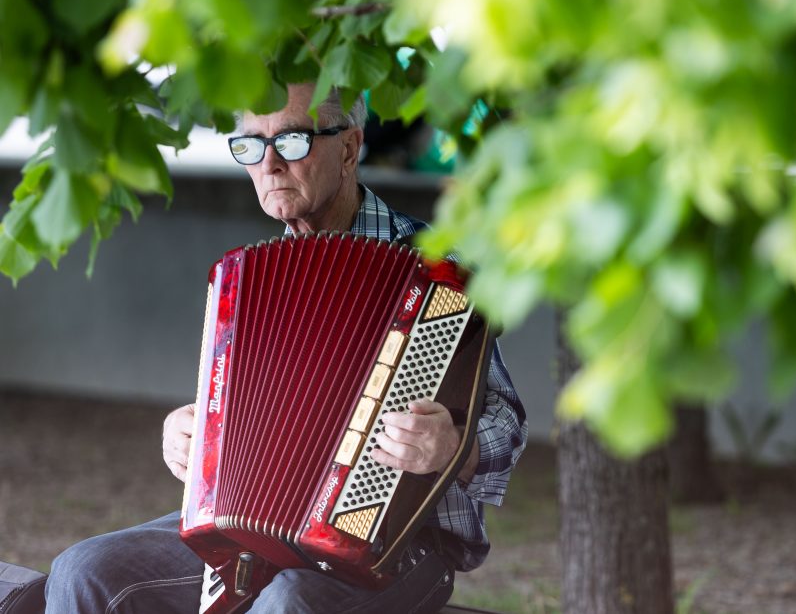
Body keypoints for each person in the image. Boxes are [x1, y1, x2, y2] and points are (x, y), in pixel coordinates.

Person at [43, 83, 528, 613]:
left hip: (402, 542)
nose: (269, 165)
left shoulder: (437, 274)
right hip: (258, 538)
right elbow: (236, 418)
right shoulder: (252, 279)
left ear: (348, 149)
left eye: (292, 141)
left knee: (287, 603)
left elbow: (508, 423)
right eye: (250, 146)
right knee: (83, 571)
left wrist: (452, 444)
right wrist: (191, 435)